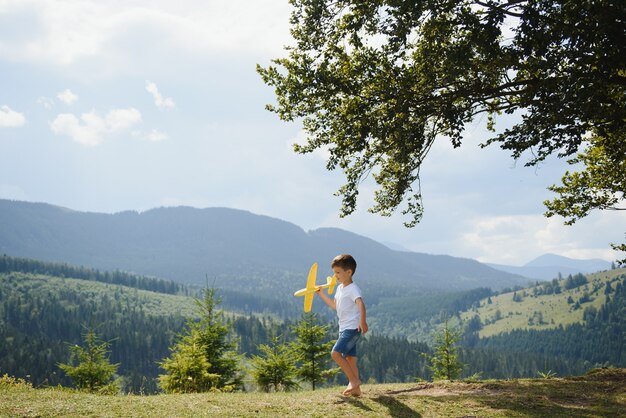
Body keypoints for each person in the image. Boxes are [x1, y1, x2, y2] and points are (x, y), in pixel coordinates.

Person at [316, 253, 368, 396]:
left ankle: (354, 381)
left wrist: (363, 321)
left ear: (349, 272)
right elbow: (335, 306)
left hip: (352, 328)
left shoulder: (353, 289)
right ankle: (356, 390)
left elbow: (361, 304)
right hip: (344, 328)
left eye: (338, 273)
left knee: (336, 353)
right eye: (334, 273)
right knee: (350, 359)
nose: (335, 276)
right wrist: (321, 294)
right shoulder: (340, 289)